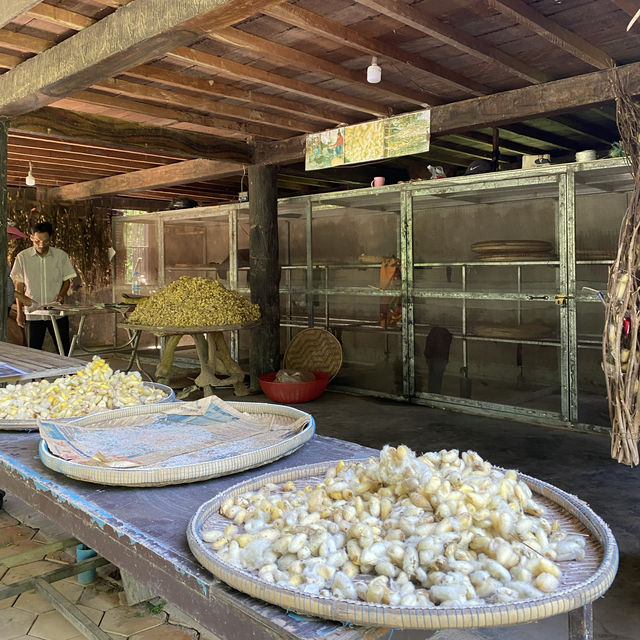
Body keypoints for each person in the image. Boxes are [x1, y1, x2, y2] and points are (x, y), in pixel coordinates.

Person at [11, 221, 77, 354]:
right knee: (34, 349)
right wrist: (19, 313)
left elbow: (67, 281)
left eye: (45, 242)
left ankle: (67, 374)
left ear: (50, 238)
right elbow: (19, 287)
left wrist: (61, 295)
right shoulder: (22, 257)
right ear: (31, 238)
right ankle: (37, 375)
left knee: (64, 348)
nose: (41, 245)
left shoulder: (60, 256)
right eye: (37, 241)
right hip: (34, 312)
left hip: (56, 310)